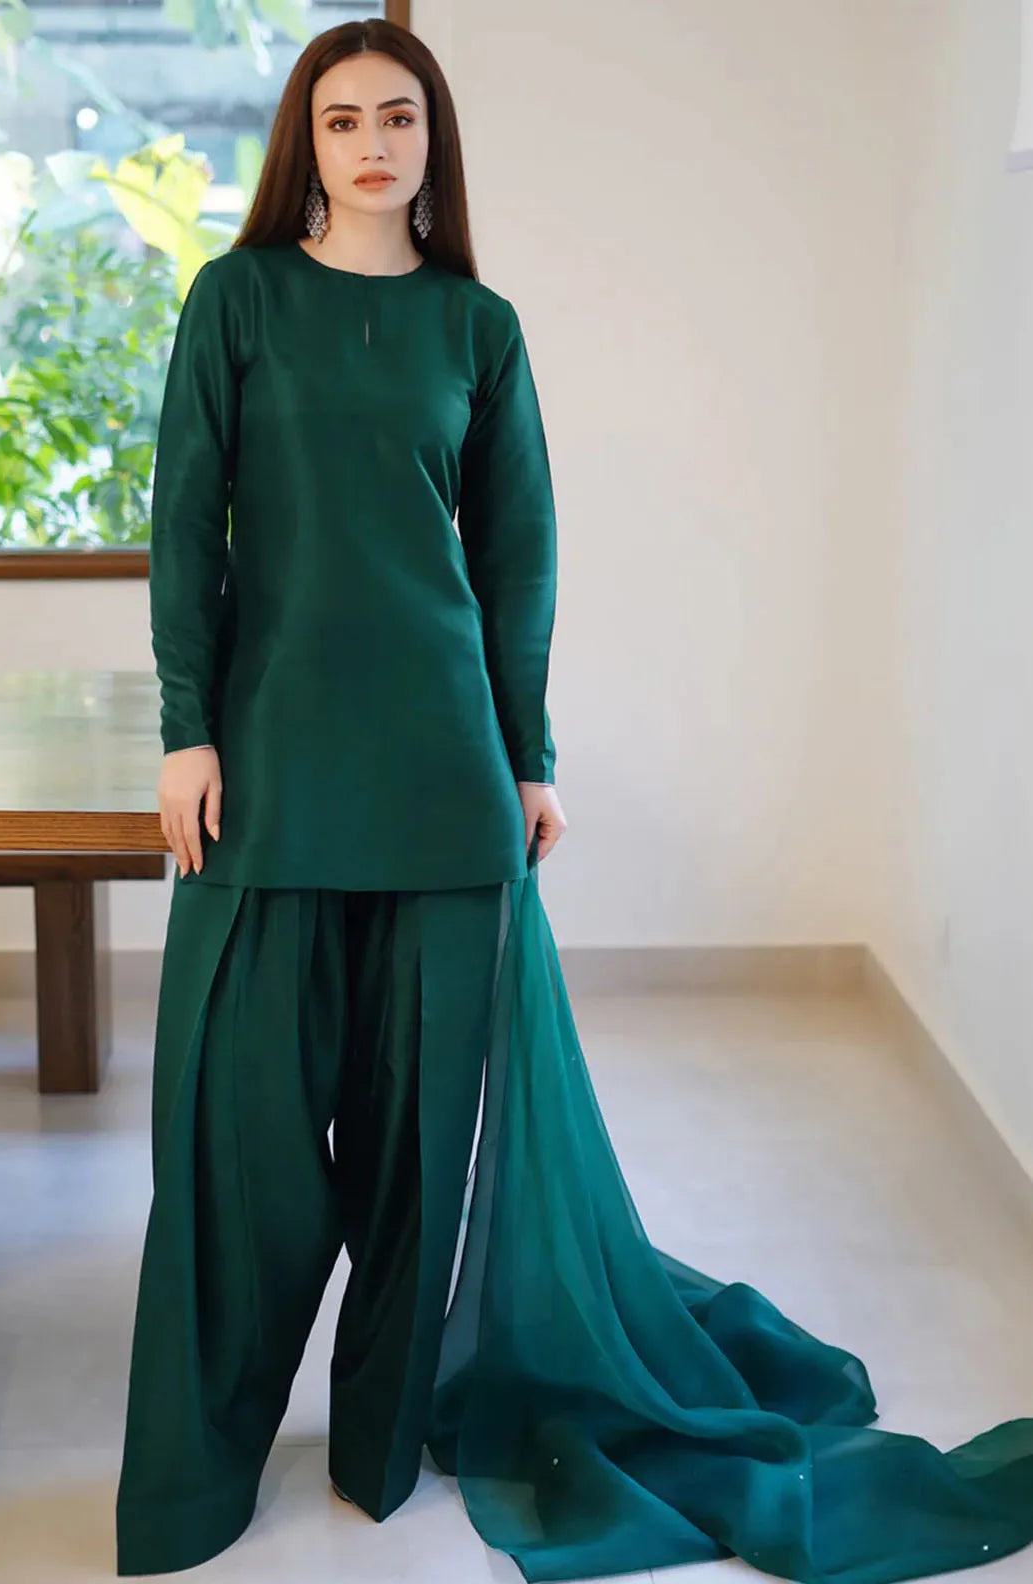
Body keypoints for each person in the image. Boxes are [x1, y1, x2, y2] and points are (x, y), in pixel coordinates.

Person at [115, 18, 1033, 1583]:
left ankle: (377, 1449)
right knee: (232, 1140)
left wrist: (529, 755)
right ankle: (195, 1475)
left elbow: (514, 557)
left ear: (433, 140)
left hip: (442, 777)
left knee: (415, 1149)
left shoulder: (476, 328)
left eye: (398, 116)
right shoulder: (239, 301)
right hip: (264, 768)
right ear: (304, 145)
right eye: (341, 120)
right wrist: (186, 732)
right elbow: (186, 520)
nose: (371, 144)